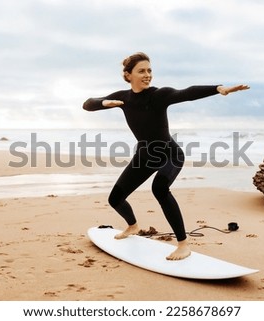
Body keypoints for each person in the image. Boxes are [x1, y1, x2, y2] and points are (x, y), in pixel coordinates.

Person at [83, 52, 249, 260]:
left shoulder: (158, 95)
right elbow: (88, 104)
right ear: (128, 75)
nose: (147, 75)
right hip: (145, 155)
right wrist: (103, 103)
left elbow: (186, 92)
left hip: (170, 155)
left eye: (150, 70)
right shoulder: (123, 98)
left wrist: (217, 89)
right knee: (115, 198)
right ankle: (133, 226)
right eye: (141, 71)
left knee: (159, 189)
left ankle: (183, 244)